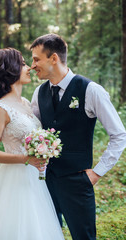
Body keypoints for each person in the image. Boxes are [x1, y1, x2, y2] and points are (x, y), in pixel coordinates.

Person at [30, 34, 126, 240]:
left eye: (36, 59)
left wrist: (97, 173)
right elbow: (33, 132)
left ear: (53, 58)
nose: (32, 65)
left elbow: (119, 135)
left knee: (84, 237)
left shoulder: (91, 90)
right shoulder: (39, 92)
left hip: (77, 181)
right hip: (45, 181)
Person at [0, 48, 65, 240]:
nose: (29, 67)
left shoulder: (26, 103)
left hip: (34, 179)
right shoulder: (0, 110)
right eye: (23, 63)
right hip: (13, 180)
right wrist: (26, 158)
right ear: (11, 70)